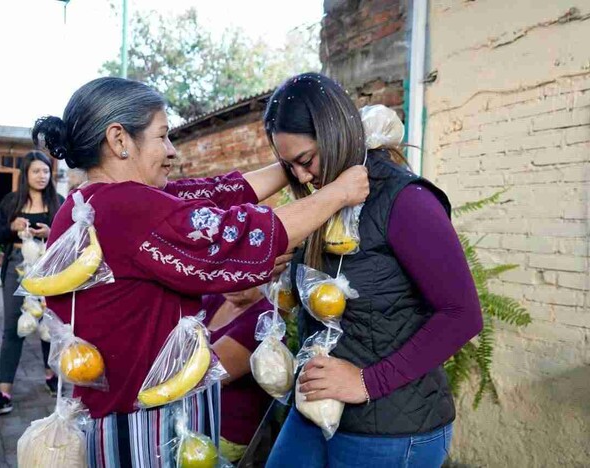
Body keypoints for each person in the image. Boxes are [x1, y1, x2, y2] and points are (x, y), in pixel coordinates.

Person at [33, 76, 369, 467]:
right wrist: (339, 193)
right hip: (145, 426)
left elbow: (216, 192)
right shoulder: (124, 206)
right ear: (119, 139)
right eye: (162, 136)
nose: (172, 151)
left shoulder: (84, 204)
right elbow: (238, 236)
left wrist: (294, 162)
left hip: (117, 414)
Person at [262, 73, 483, 468]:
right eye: (288, 166)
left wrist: (366, 382)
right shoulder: (329, 200)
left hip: (391, 424)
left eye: (305, 161)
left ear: (335, 135)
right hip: (315, 410)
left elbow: (462, 315)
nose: (301, 177)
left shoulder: (407, 201)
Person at [0, 151, 65, 415]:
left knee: (47, 322)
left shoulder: (57, 201)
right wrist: (13, 226)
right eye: (36, 171)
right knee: (12, 327)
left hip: (46, 266)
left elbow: (67, 237)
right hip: (17, 264)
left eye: (46, 171)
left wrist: (51, 233)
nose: (42, 176)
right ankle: (4, 392)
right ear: (25, 174)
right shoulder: (11, 201)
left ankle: (51, 375)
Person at [201, 287, 273, 463]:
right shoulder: (217, 298)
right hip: (194, 415)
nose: (236, 282)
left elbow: (205, 373)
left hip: (224, 432)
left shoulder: (265, 319)